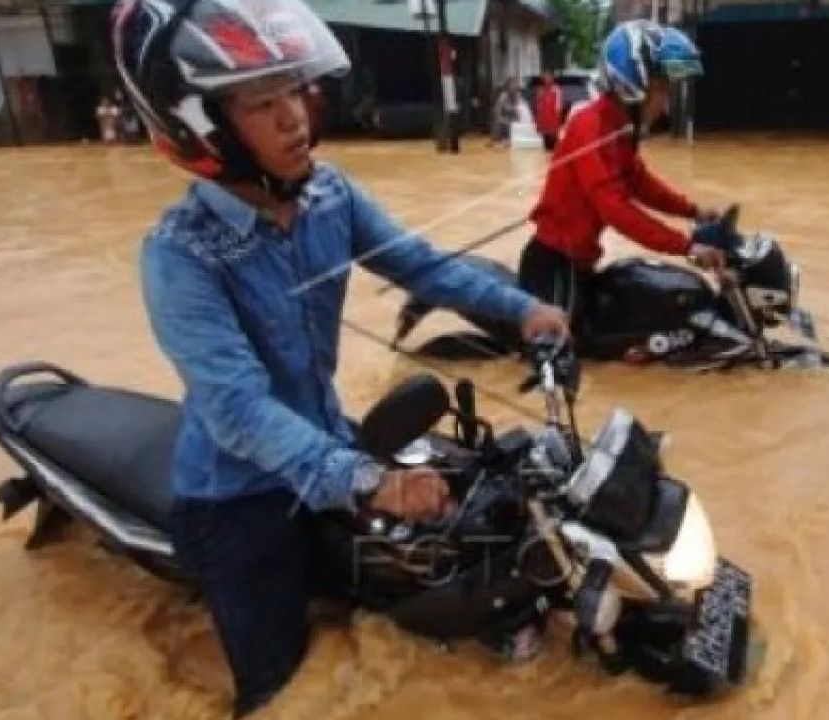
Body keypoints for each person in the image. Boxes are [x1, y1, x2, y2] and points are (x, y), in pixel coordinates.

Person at [110, 0, 570, 716]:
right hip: (239, 495)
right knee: (282, 691)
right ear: (201, 128)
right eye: (264, 104)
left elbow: (420, 265)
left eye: (295, 89)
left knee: (436, 560)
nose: (296, 116)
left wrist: (521, 310)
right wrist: (368, 481)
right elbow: (238, 409)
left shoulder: (329, 194)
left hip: (328, 445)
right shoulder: (182, 254)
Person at [519, 20, 725, 343]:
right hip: (555, 265)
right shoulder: (590, 125)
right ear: (633, 83)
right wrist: (686, 246)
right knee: (565, 347)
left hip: (583, 262)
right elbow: (614, 207)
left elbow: (640, 183)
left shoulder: (620, 129)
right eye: (661, 88)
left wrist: (694, 212)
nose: (665, 102)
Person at [533, 71, 562, 152]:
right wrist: (538, 123)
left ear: (552, 78)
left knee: (554, 146)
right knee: (545, 147)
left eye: (548, 77)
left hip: (553, 123)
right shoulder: (540, 91)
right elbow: (538, 108)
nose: (547, 79)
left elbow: (558, 108)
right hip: (544, 123)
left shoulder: (556, 90)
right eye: (545, 77)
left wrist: (556, 124)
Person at [488, 77, 520, 148]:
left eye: (515, 84)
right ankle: (497, 140)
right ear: (508, 85)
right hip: (503, 117)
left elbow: (519, 107)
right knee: (501, 122)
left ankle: (509, 140)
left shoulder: (517, 95)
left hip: (512, 117)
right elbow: (502, 109)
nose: (514, 86)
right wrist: (514, 110)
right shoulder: (504, 95)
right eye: (512, 84)